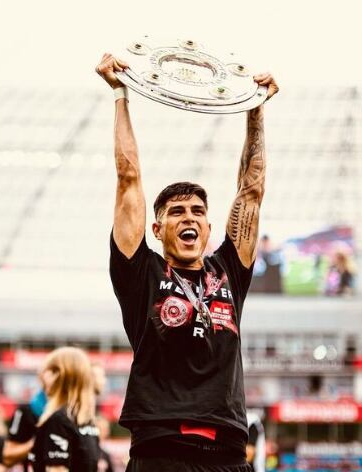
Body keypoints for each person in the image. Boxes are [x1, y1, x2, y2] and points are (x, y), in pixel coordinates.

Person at [96, 52, 278, 472]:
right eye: (176, 212)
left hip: (228, 454)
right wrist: (121, 94)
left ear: (209, 227)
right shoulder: (141, 273)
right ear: (157, 229)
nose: (189, 218)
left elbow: (251, 191)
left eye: (197, 211)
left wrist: (255, 108)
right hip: (162, 452)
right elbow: (128, 179)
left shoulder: (228, 271)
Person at [31, 347, 100, 472]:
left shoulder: (59, 420)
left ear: (62, 375)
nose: (43, 376)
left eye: (50, 370)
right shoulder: (87, 421)